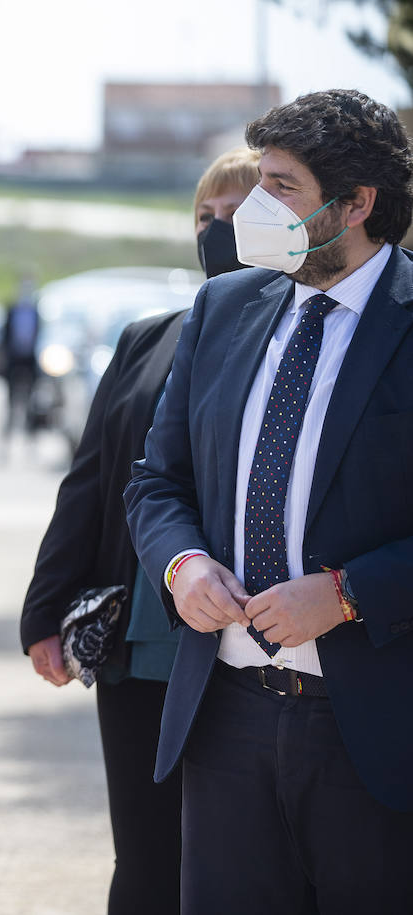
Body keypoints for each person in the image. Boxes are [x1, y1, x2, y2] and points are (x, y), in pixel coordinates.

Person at [125, 89, 413, 913]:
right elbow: (157, 478)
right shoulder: (224, 308)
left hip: (375, 732)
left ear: (355, 204)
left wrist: (350, 593)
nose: (254, 206)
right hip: (225, 719)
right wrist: (180, 566)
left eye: (281, 186)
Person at [18, 146, 259, 915]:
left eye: (236, 214)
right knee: (148, 858)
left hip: (250, 644)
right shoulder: (147, 338)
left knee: (244, 861)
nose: (216, 231)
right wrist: (45, 608)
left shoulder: (306, 343)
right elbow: (92, 479)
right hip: (141, 647)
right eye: (204, 216)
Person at [0, 272, 40, 450]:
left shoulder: (37, 311)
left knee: (31, 402)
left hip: (30, 360)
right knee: (10, 402)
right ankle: (6, 441)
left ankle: (29, 442)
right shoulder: (11, 308)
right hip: (14, 359)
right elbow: (4, 335)